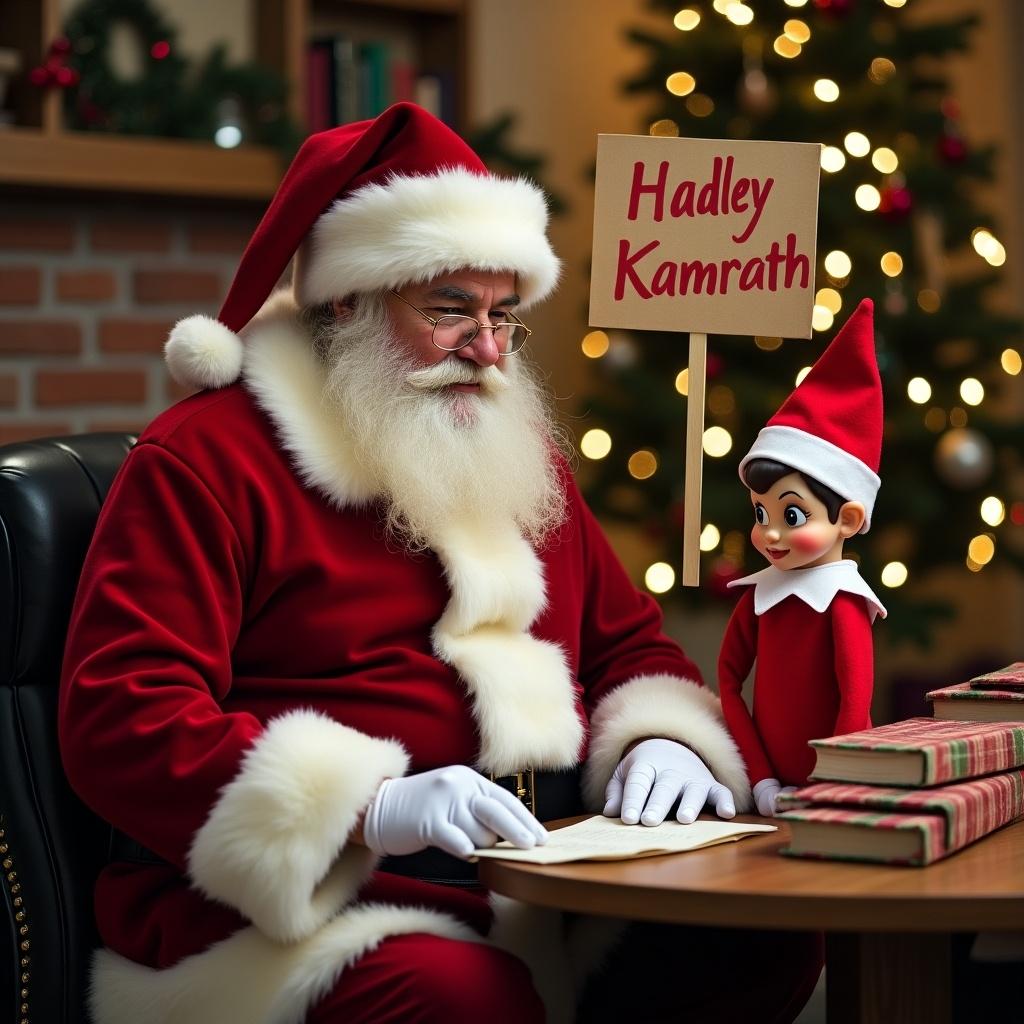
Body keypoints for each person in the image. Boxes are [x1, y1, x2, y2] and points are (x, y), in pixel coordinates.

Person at [59, 102, 821, 1023]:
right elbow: (121, 717)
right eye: (450, 310)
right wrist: (369, 804)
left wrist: (661, 736)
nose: (489, 351)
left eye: (505, 316)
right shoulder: (206, 459)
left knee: (761, 939)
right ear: (347, 299)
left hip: (547, 877)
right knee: (464, 1000)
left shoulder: (512, 449)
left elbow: (632, 649)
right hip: (313, 914)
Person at [718, 299, 887, 816]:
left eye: (792, 516)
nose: (769, 533)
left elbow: (854, 703)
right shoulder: (760, 595)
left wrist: (834, 783)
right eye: (760, 513)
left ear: (849, 520)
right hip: (768, 793)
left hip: (835, 796)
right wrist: (760, 777)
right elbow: (727, 679)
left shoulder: (842, 602)